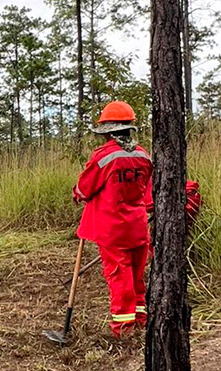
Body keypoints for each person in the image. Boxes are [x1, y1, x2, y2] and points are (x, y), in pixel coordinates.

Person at [73, 100, 154, 337]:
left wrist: (76, 193)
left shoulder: (104, 156)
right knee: (137, 276)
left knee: (119, 277)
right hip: (138, 226)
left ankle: (123, 328)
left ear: (108, 131)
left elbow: (85, 188)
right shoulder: (144, 155)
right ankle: (140, 319)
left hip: (112, 228)